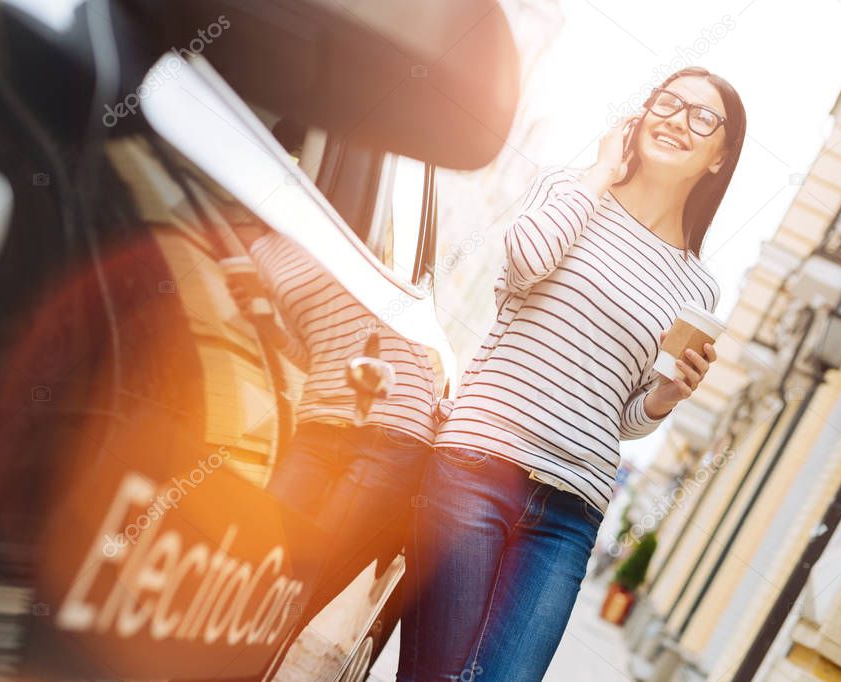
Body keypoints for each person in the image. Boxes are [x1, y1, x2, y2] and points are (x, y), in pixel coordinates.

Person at [397, 66, 746, 681]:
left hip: (570, 511)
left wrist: (666, 396)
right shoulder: (569, 188)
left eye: (702, 117)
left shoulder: (699, 286)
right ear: (639, 116)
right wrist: (598, 174)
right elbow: (524, 264)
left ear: (720, 157)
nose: (677, 120)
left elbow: (627, 416)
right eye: (668, 103)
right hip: (477, 462)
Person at [225, 224, 438, 618]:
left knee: (297, 591)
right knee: (250, 560)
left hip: (391, 430)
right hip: (321, 421)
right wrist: (267, 322)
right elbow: (320, 353)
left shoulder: (339, 223)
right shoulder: (255, 243)